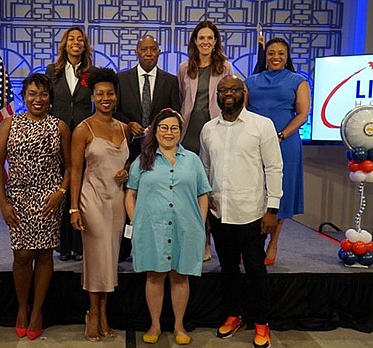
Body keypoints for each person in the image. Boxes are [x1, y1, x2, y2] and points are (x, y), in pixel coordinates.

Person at [199, 75, 283, 348]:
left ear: (243, 93)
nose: (228, 94)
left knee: (256, 270)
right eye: (223, 90)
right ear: (217, 95)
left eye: (234, 89)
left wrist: (273, 209)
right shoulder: (208, 129)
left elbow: (274, 168)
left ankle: (261, 323)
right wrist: (207, 196)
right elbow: (206, 167)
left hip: (252, 212)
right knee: (228, 269)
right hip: (220, 211)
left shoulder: (262, 125)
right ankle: (234, 315)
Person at [0, 73, 71, 340]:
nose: (38, 99)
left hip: (49, 199)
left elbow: (71, 167)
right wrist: (3, 202)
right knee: (23, 255)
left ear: (51, 98)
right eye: (32, 94)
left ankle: (37, 312)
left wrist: (61, 193)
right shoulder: (9, 124)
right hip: (18, 198)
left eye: (43, 94)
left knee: (45, 254)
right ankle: (22, 308)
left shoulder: (59, 126)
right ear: (24, 96)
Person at [125, 108, 211, 345]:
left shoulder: (192, 160)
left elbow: (204, 194)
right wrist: (136, 221)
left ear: (180, 131)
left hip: (185, 228)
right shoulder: (142, 160)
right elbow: (130, 194)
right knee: (154, 276)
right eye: (164, 127)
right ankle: (155, 324)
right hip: (153, 228)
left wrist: (200, 222)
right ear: (155, 131)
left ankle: (179, 326)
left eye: (174, 128)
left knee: (180, 277)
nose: (169, 132)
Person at [69, 67, 130, 342]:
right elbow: (75, 171)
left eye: (110, 93)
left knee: (110, 258)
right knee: (97, 259)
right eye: (100, 94)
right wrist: (74, 208)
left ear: (116, 97)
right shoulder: (83, 129)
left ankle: (105, 313)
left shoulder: (124, 128)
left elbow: (128, 162)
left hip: (117, 200)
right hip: (91, 199)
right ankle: (93, 314)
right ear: (92, 97)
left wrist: (127, 171)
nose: (106, 98)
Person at [115, 34, 181, 262]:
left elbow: (175, 113)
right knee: (128, 197)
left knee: (156, 199)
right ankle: (125, 250)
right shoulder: (121, 79)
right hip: (128, 150)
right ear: (137, 52)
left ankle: (157, 246)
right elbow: (114, 112)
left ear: (159, 53)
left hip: (160, 151)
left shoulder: (170, 81)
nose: (149, 53)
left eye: (153, 49)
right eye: (145, 49)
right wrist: (127, 124)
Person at [245, 37, 310, 266]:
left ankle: (273, 243)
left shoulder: (297, 80)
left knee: (279, 193)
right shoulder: (251, 81)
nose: (275, 57)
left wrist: (281, 135)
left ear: (287, 56)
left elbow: (302, 114)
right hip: (253, 144)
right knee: (254, 192)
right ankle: (252, 244)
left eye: (281, 53)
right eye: (271, 53)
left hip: (286, 143)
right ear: (265, 55)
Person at [178, 20, 233, 262]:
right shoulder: (184, 67)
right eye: (201, 38)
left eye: (210, 38)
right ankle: (193, 239)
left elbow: (230, 97)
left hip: (215, 131)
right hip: (189, 132)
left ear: (215, 42)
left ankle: (208, 241)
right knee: (190, 189)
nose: (206, 42)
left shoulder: (225, 67)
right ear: (195, 41)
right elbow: (181, 98)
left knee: (209, 189)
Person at [46, 26, 94, 262]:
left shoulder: (92, 72)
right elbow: (46, 103)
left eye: (80, 39)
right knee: (62, 187)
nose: (76, 42)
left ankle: (79, 245)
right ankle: (63, 245)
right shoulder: (51, 72)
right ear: (64, 44)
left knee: (80, 187)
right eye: (71, 39)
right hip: (59, 135)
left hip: (84, 137)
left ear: (85, 46)